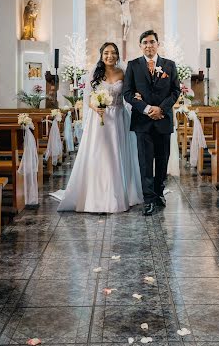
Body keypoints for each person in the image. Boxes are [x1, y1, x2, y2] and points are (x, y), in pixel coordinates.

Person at [51, 42, 143, 213]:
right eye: (106, 53)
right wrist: (95, 107)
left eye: (113, 53)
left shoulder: (123, 72)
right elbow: (87, 99)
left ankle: (117, 194)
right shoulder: (94, 73)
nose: (110, 56)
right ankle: (97, 196)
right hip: (99, 120)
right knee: (100, 154)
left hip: (119, 119)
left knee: (116, 154)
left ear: (117, 55)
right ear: (101, 55)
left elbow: (130, 94)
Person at [123, 30, 181, 216]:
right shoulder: (133, 65)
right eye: (145, 42)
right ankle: (148, 200)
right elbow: (128, 93)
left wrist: (161, 109)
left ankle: (158, 193)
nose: (149, 45)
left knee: (162, 161)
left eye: (152, 42)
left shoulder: (169, 65)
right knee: (146, 162)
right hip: (143, 121)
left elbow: (175, 91)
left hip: (163, 120)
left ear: (158, 44)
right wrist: (147, 109)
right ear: (140, 46)